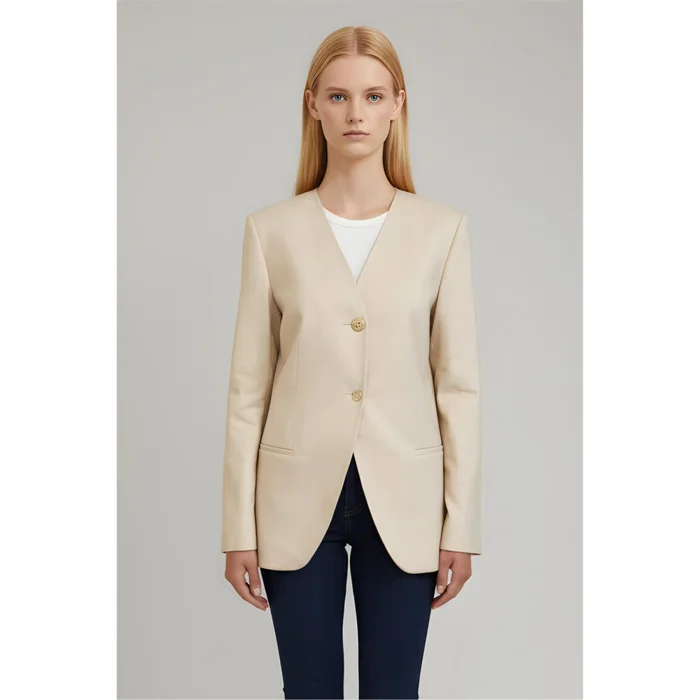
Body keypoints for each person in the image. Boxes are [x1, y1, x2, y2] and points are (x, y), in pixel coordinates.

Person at [221, 25, 482, 699]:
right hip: (293, 498)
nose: (356, 114)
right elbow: (248, 390)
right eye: (338, 96)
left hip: (406, 500)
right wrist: (237, 529)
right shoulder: (271, 231)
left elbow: (458, 388)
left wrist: (461, 526)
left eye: (372, 96)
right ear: (313, 105)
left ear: (398, 104)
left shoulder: (441, 230)